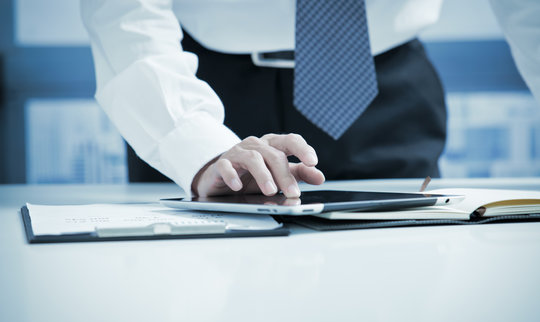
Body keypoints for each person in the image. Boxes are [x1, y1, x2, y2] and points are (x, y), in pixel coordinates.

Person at [81, 0, 540, 198]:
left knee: (398, 302)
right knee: (193, 299)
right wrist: (195, 146)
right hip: (198, 92)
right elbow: (125, 9)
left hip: (382, 87)